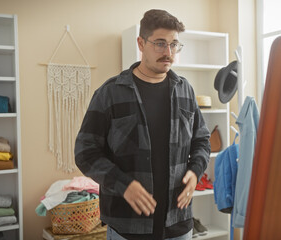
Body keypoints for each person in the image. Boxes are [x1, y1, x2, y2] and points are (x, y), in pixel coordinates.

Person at [75, 9, 210, 240]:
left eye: (174, 44)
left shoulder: (185, 90)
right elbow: (85, 152)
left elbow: (202, 141)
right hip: (127, 227)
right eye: (160, 43)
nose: (168, 52)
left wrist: (196, 172)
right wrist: (123, 184)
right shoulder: (110, 93)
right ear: (141, 43)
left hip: (178, 225)